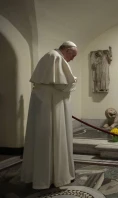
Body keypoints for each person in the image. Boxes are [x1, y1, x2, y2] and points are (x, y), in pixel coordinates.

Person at [21, 41, 78, 189]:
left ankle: (49, 175)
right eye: (72, 55)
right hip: (50, 102)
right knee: (50, 136)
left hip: (49, 100)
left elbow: (62, 81)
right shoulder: (54, 56)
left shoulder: (54, 56)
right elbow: (62, 84)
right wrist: (72, 82)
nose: (72, 59)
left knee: (51, 136)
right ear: (66, 50)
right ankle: (50, 177)